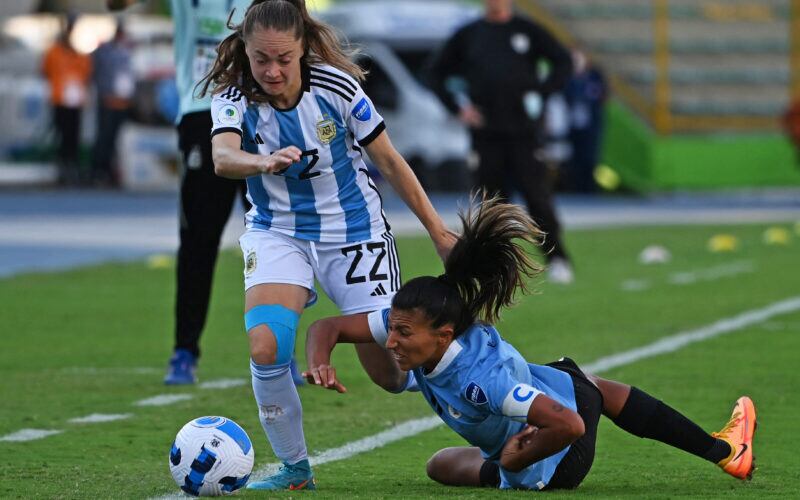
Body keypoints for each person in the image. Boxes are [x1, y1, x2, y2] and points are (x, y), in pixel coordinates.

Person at [302, 194, 757, 491]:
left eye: (402, 333)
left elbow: (570, 426)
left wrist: (522, 457)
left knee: (590, 391)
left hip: (562, 461)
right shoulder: (419, 324)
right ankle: (724, 450)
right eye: (392, 330)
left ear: (443, 336)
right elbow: (329, 327)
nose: (391, 341)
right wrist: (320, 361)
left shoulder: (485, 382)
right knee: (438, 465)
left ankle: (725, 451)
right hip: (526, 405)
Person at [200, 0, 456, 490]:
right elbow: (223, 155)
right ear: (246, 51)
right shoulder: (233, 95)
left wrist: (437, 231)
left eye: (283, 59)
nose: (271, 71)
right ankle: (296, 471)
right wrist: (262, 162)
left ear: (302, 49)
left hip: (354, 233)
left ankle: (484, 394)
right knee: (267, 343)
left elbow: (390, 162)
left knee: (392, 371)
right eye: (260, 59)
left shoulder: (338, 87)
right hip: (278, 231)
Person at [107, 0, 303, 386]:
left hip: (262, 111)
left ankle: (281, 348)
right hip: (202, 111)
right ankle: (184, 352)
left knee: (277, 241)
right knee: (198, 239)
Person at [428, 0, 575, 284]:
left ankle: (557, 258)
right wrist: (459, 108)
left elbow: (563, 61)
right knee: (492, 203)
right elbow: (435, 72)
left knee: (537, 197)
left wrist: (541, 93)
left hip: (524, 133)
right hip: (486, 134)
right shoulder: (469, 34)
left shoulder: (527, 31)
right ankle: (497, 267)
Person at [42, 13, 92, 186]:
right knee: (62, 135)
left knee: (73, 136)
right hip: (60, 101)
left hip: (75, 102)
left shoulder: (79, 55)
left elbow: (86, 73)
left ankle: (72, 167)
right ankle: (62, 168)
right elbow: (46, 70)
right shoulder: (54, 53)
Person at [90, 20, 134, 188]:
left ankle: (109, 170)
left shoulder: (126, 52)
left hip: (121, 103)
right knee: (104, 138)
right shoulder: (105, 51)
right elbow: (98, 72)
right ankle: (98, 170)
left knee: (115, 139)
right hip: (108, 101)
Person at [564, 50, 607, 193]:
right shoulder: (568, 77)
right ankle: (575, 187)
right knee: (573, 158)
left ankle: (589, 187)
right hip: (572, 124)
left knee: (589, 157)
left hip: (590, 125)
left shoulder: (594, 76)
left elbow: (601, 95)